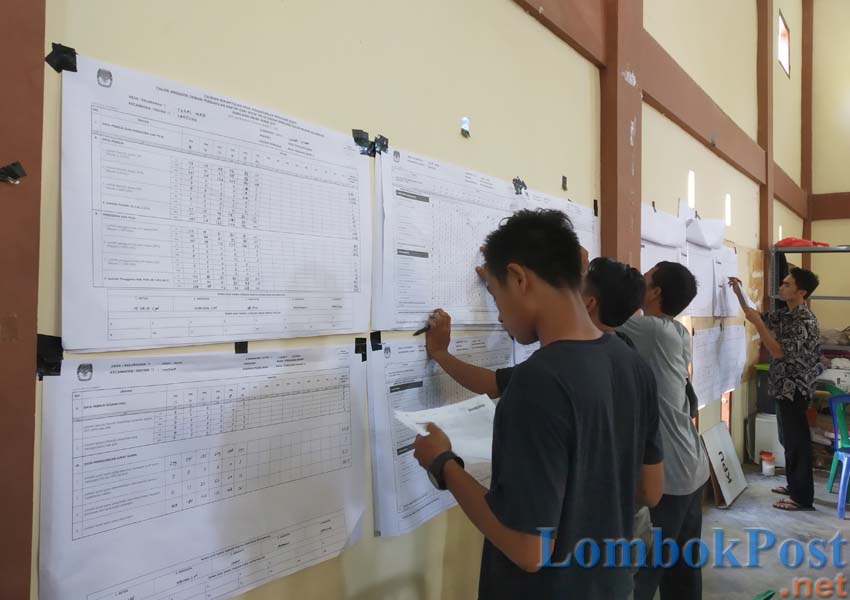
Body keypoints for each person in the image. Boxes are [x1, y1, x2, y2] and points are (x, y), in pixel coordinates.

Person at [411, 209, 664, 599]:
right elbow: (651, 490)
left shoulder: (537, 383)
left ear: (518, 278)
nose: (499, 313)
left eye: (497, 294)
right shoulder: (633, 364)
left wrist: (442, 463)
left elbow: (529, 551)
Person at [423, 255, 648, 399]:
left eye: (574, 287)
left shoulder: (563, 361)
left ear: (589, 304)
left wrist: (441, 353)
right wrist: (502, 288)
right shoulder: (628, 352)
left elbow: (492, 384)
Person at [620, 261, 709, 600]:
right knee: (682, 571)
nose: (638, 281)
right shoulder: (677, 331)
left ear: (655, 292)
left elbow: (592, 314)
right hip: (692, 467)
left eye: (644, 278)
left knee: (644, 572)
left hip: (670, 477)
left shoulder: (651, 331)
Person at [729, 268, 821, 511]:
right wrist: (739, 292)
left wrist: (760, 325)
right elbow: (754, 315)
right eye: (783, 283)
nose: (781, 287)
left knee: (797, 442)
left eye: (788, 284)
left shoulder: (803, 321)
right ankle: (794, 486)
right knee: (787, 439)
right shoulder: (786, 314)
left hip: (796, 390)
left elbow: (779, 351)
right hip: (783, 388)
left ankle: (802, 499)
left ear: (801, 292)